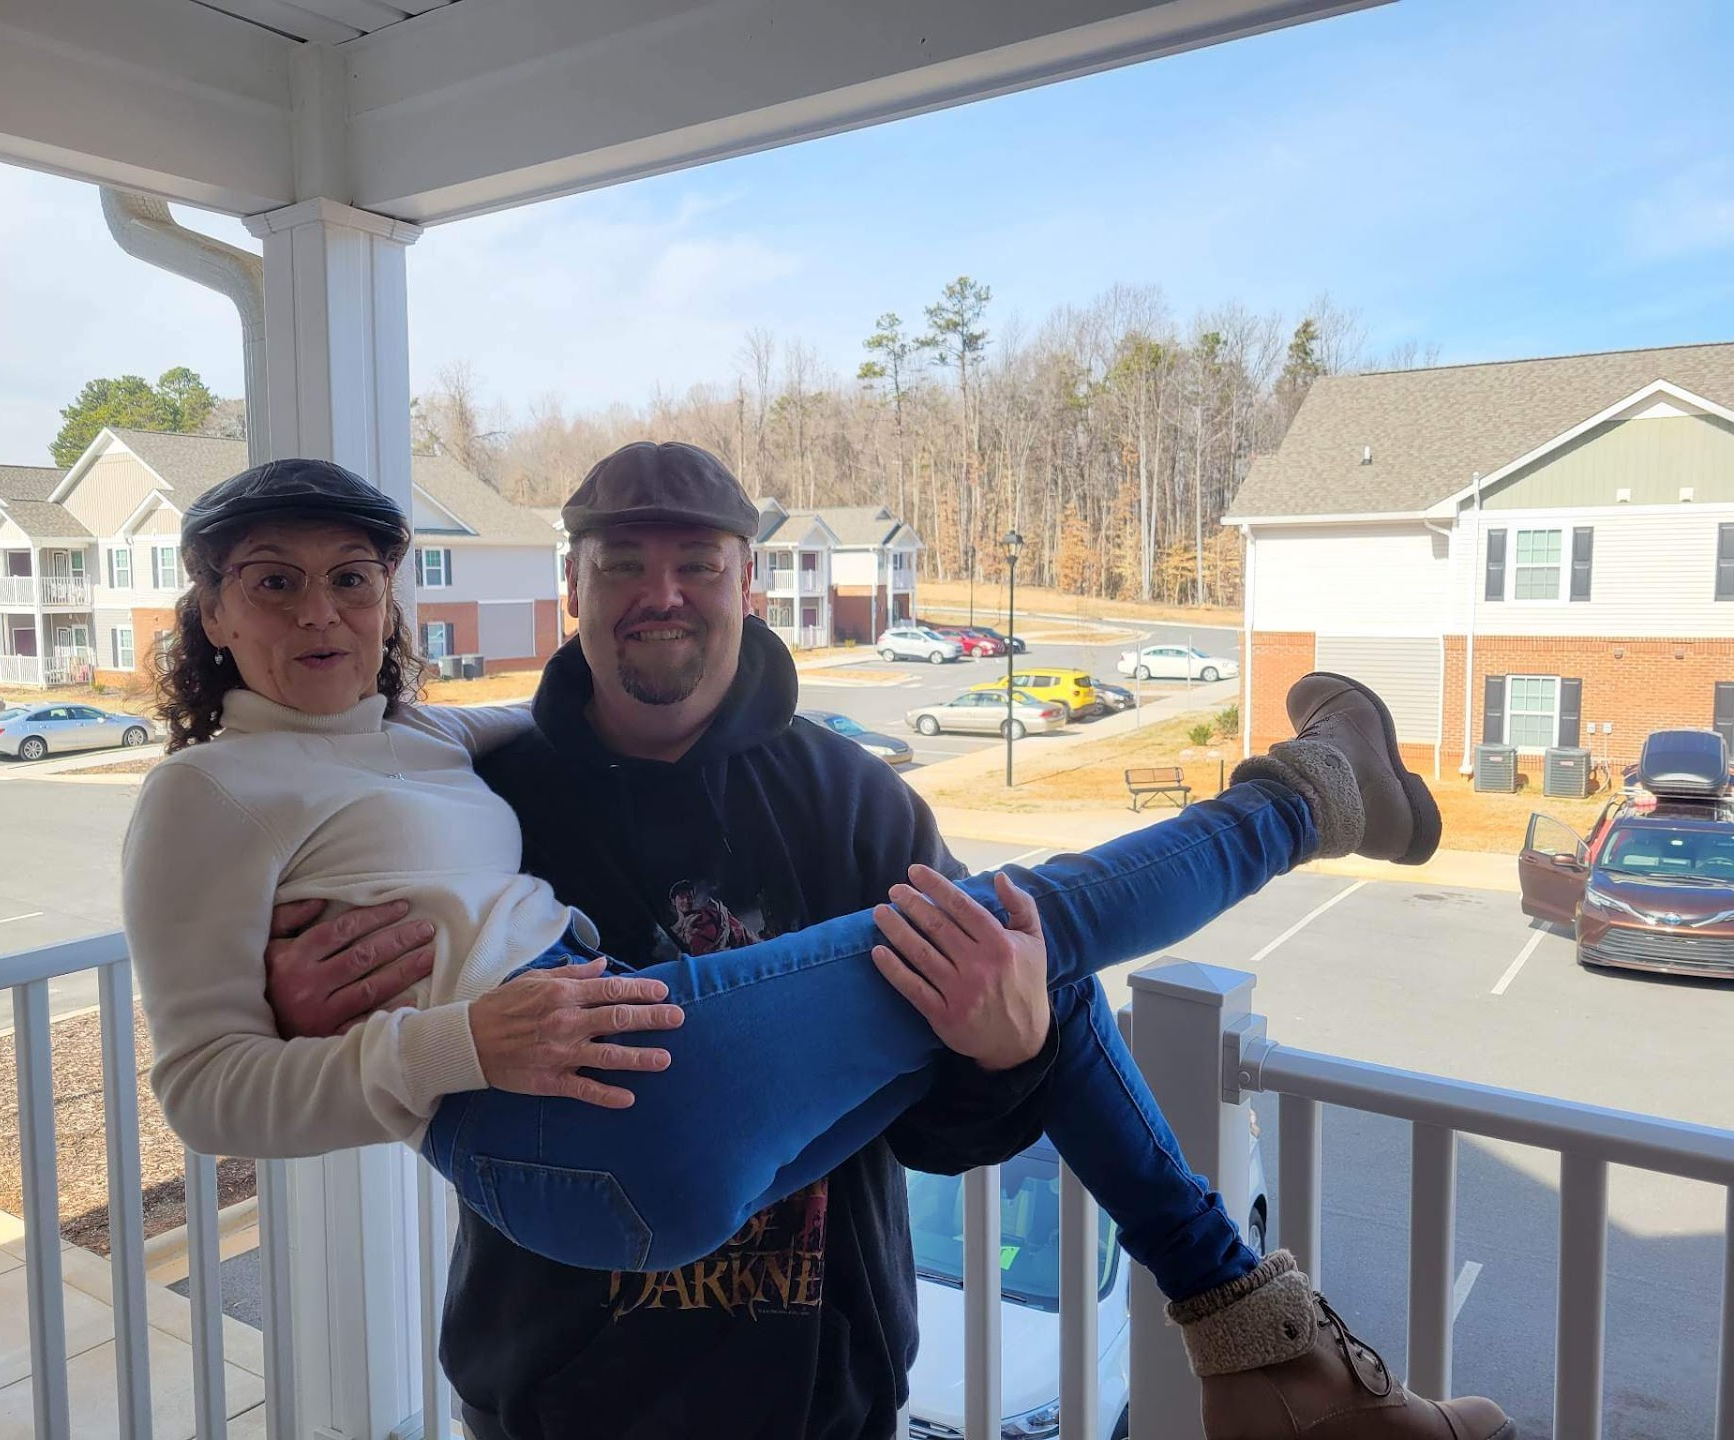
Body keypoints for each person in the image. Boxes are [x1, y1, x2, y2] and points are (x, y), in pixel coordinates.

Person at [249, 445, 1511, 1440]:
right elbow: (388, 1051)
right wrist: (305, 1010)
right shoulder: (478, 803)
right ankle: (1269, 1343)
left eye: (698, 561)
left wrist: (1008, 1048)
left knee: (1027, 951)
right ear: (571, 587)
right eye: (622, 562)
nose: (661, 593)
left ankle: (1263, 1336)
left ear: (750, 583)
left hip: (824, 1394)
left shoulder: (853, 802)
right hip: (555, 1393)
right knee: (1036, 923)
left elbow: (936, 1133)